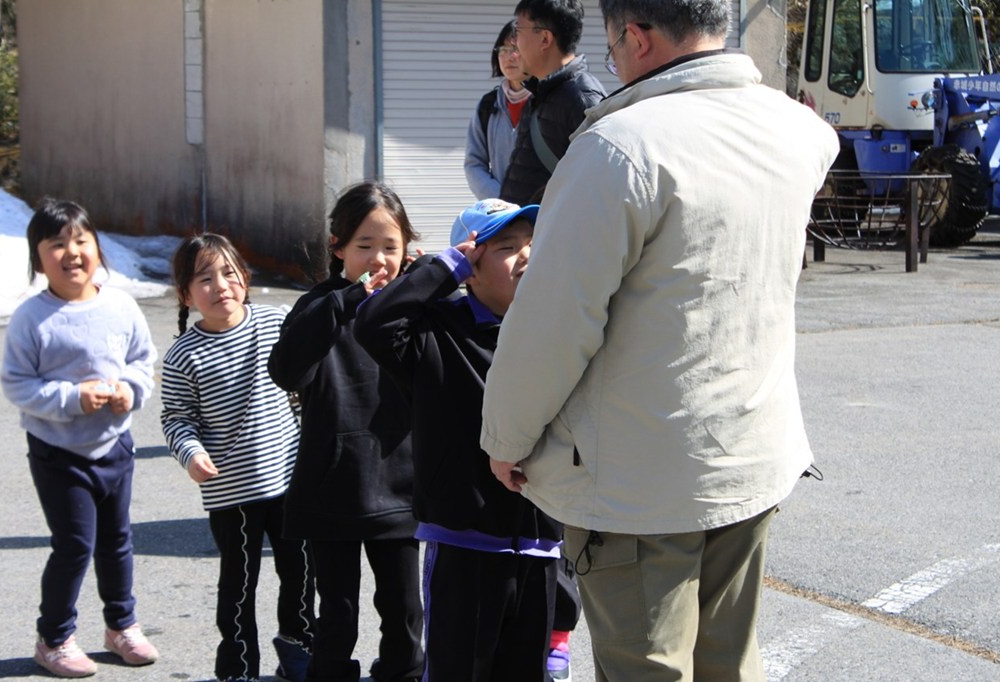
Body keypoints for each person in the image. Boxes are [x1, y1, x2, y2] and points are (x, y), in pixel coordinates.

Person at [479, 1, 840, 680]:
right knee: (729, 662)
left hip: (639, 478)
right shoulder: (799, 131)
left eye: (613, 47)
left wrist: (506, 436)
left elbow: (553, 324)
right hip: (751, 452)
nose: (612, 63)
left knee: (647, 668)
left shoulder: (619, 148)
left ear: (637, 38)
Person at [354, 198, 562, 681]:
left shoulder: (555, 330)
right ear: (471, 268)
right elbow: (373, 323)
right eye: (506, 247)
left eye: (532, 244)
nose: (526, 255)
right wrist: (444, 268)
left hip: (541, 543)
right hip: (465, 544)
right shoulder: (435, 332)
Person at [268, 181, 424, 682]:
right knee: (337, 611)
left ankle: (402, 674)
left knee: (404, 608)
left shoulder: (415, 306)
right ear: (337, 248)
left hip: (400, 484)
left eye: (390, 247)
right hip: (333, 484)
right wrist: (346, 301)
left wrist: (428, 282)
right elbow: (286, 370)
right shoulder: (320, 306)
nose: (378, 259)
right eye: (364, 246)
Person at [1, 198, 160, 678]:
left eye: (80, 240)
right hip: (59, 453)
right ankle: (53, 638)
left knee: (118, 542)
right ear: (38, 260)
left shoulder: (120, 305)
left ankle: (121, 625)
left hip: (115, 446)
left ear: (97, 248)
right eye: (56, 244)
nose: (71, 252)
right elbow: (17, 384)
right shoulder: (32, 318)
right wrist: (72, 398)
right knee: (74, 546)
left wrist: (129, 390)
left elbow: (142, 360)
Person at [160, 234, 317, 682]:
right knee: (237, 588)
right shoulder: (183, 355)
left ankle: (298, 649)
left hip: (289, 480)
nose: (220, 285)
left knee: (302, 574)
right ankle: (238, 667)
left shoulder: (275, 322)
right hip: (232, 493)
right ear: (185, 295)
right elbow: (176, 418)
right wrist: (191, 454)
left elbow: (306, 376)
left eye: (229, 273)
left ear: (245, 278)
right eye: (204, 279)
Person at [500, 0, 606, 206]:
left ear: (545, 38)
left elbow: (600, 192)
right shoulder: (539, 92)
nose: (514, 42)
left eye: (518, 31)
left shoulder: (583, 98)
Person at [464, 21, 531, 200]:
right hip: (502, 212)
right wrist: (501, 200)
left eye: (516, 49)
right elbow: (474, 164)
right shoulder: (488, 106)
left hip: (544, 210)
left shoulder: (550, 102)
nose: (509, 57)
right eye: (503, 49)